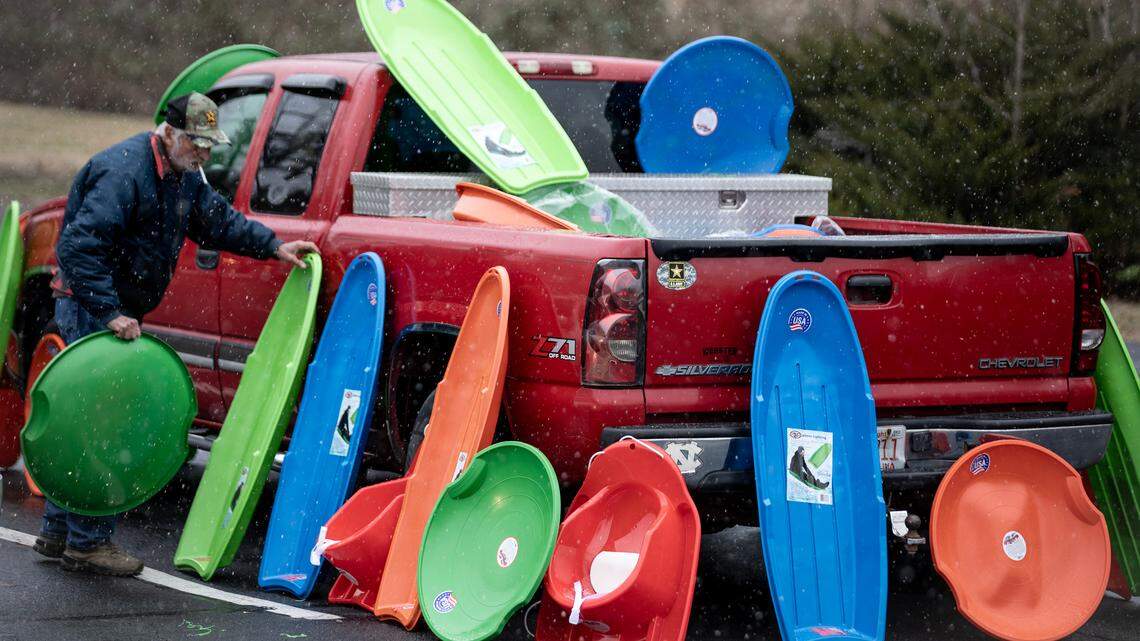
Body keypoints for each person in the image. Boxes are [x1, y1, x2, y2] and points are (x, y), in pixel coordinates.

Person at [31, 92, 318, 576]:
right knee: (102, 424)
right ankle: (89, 543)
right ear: (168, 133)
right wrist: (110, 312)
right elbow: (79, 247)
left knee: (83, 422)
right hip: (89, 309)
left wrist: (272, 246)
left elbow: (218, 222)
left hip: (109, 308)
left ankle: (59, 531)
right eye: (196, 143)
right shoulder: (125, 172)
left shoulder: (184, 177)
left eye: (210, 145)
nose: (204, 154)